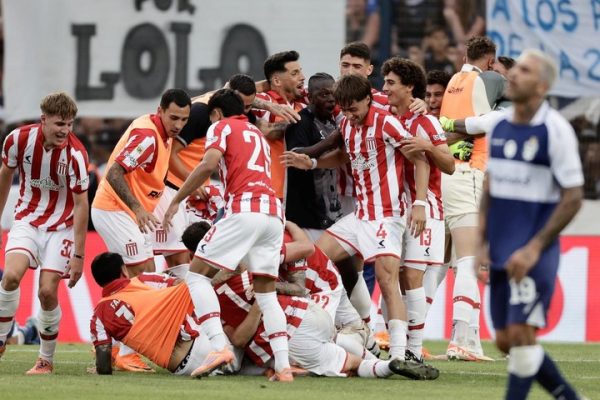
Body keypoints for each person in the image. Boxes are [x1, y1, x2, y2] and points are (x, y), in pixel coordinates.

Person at [282, 74, 430, 364]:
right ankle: (362, 332)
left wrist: (420, 203)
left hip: (386, 217)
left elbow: (420, 160)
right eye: (345, 110)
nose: (349, 115)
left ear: (368, 100)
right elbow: (343, 157)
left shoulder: (386, 122)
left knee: (387, 282)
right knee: (316, 260)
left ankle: (398, 354)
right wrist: (312, 162)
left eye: (354, 109)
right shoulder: (347, 124)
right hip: (360, 216)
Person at [162, 89, 293, 381]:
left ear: (217, 113)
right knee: (266, 293)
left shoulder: (221, 126)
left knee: (196, 276)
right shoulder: (256, 133)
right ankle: (283, 366)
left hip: (244, 209)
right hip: (273, 214)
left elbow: (208, 164)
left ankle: (219, 347)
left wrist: (176, 200)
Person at [476, 49, 585, 400]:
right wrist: (481, 241)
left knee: (522, 334)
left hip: (533, 252)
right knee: (506, 340)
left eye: (524, 70)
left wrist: (535, 247)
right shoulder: (499, 126)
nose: (512, 74)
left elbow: (573, 196)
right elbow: (491, 186)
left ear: (541, 86)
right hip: (500, 249)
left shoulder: (555, 130)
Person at [0, 92, 89, 374]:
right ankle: (1, 340)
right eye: (60, 124)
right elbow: (5, 175)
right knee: (10, 277)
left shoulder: (76, 155)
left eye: (70, 124)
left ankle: (45, 359)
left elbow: (81, 204)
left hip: (62, 228)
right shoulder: (17, 139)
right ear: (44, 120)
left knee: (47, 292)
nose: (65, 130)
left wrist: (79, 255)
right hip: (27, 219)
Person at [381, 57, 454, 363]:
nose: (385, 88)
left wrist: (427, 147)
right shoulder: (385, 116)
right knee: (393, 278)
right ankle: (397, 344)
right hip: (395, 211)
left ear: (409, 87)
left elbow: (449, 165)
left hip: (425, 210)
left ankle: (414, 350)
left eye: (391, 83)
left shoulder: (426, 121)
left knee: (412, 277)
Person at [439, 36, 505, 361]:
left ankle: (470, 342)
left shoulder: (454, 81)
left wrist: (451, 126)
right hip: (469, 174)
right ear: (491, 62)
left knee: (444, 264)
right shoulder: (487, 80)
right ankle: (460, 341)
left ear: (465, 55)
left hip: (446, 175)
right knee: (468, 262)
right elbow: (487, 123)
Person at [91, 89, 191, 277]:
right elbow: (113, 173)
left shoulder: (162, 129)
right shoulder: (147, 139)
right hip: (113, 210)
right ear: (160, 111)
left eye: (184, 119)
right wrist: (138, 209)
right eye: (174, 118)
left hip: (133, 211)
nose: (179, 125)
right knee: (140, 274)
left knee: (149, 273)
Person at [89, 252, 214, 377]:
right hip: (204, 345)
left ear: (97, 280)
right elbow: (186, 285)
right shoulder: (142, 280)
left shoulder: (99, 316)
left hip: (183, 368)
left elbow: (104, 365)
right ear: (124, 270)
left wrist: (100, 367)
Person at [253, 50, 307, 200]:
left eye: (300, 71)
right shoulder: (264, 101)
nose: (303, 77)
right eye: (295, 73)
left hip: (297, 195)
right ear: (277, 81)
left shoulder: (303, 106)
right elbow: (230, 96)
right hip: (268, 194)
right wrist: (267, 105)